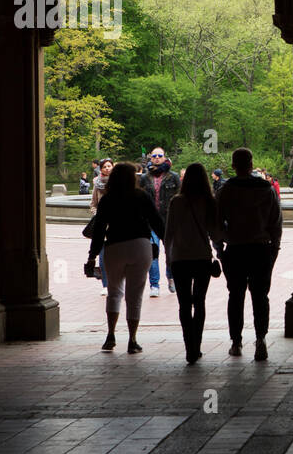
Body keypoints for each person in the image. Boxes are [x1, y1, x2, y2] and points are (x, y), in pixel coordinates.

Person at [85, 162, 164, 354]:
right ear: (132, 178)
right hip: (140, 246)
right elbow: (157, 223)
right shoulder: (141, 196)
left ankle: (110, 335)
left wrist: (92, 257)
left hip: (115, 246)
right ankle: (132, 339)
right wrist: (169, 244)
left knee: (114, 292)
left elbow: (99, 231)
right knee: (134, 296)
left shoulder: (108, 199)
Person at [215, 147, 283, 360]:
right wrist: (275, 247)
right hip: (260, 248)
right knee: (260, 296)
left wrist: (220, 248)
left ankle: (236, 342)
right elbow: (276, 221)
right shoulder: (266, 189)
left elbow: (216, 222)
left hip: (235, 249)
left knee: (235, 296)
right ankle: (261, 339)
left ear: (233, 166)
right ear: (251, 164)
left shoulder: (226, 190)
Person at [164, 163, 225, 364]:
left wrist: (168, 258)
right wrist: (220, 251)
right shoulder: (208, 201)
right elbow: (215, 233)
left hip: (180, 258)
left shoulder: (176, 201)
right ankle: (196, 345)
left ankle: (188, 345)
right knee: (199, 302)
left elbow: (169, 232)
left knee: (184, 304)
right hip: (201, 257)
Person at [138, 147, 180, 297]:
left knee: (171, 253)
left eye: (159, 156)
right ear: (150, 158)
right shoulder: (144, 178)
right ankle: (154, 285)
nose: (156, 158)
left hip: (169, 221)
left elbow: (179, 198)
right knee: (152, 253)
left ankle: (171, 277)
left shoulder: (173, 177)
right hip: (150, 222)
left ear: (164, 157)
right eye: (154, 156)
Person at [89, 158, 114, 291]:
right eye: (104, 167)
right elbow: (93, 204)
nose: (107, 168)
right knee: (103, 255)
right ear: (101, 169)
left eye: (109, 166)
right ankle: (105, 284)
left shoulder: (118, 183)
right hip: (102, 224)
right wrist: (97, 214)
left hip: (116, 224)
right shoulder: (97, 184)